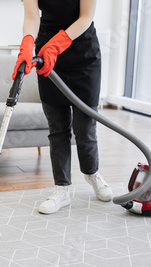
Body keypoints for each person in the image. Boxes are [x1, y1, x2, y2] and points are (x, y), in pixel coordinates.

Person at [12, 0, 112, 214]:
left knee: (85, 127)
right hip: (48, 53)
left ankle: (92, 173)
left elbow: (86, 17)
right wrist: (28, 41)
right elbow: (31, 17)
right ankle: (62, 188)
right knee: (57, 126)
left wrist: (59, 44)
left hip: (83, 53)